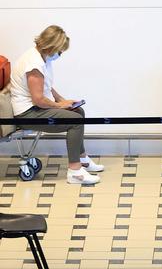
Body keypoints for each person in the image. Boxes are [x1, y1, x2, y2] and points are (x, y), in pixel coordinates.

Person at [9, 25, 103, 185]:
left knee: (78, 112)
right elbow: (38, 99)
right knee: (75, 122)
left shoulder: (40, 56)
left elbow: (46, 86)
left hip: (36, 108)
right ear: (51, 46)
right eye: (59, 51)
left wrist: (62, 101)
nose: (60, 54)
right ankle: (75, 172)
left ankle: (83, 159)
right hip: (28, 113)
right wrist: (60, 106)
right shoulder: (34, 64)